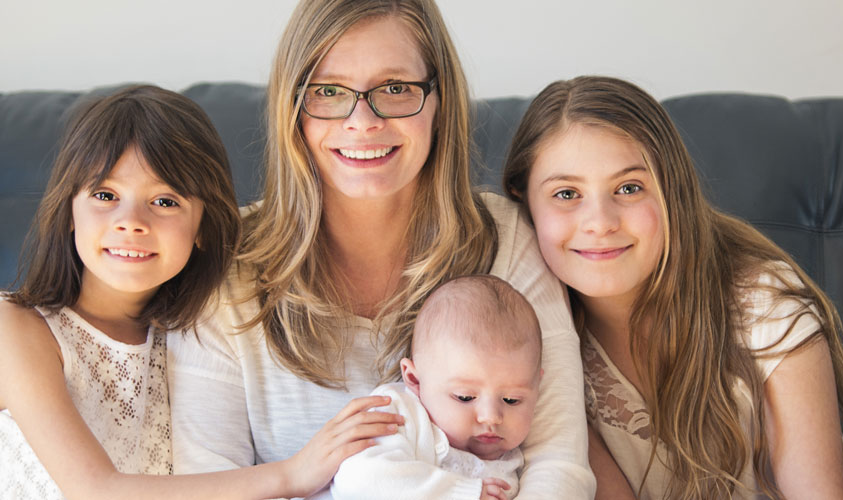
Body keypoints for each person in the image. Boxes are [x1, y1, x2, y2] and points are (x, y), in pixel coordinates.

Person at [167, 1, 595, 498]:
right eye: (328, 91)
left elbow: (558, 467)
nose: (362, 121)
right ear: (293, 107)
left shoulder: (509, 240)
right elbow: (204, 482)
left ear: (440, 100)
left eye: (395, 88)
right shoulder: (225, 265)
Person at [0, 85, 397, 500]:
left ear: (203, 228)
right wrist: (292, 473)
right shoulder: (11, 327)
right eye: (105, 194)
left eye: (165, 201)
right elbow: (97, 491)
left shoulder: (187, 343)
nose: (131, 221)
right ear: (69, 210)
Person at [503, 75, 843, 499]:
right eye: (567, 193)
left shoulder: (763, 302)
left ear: (672, 191)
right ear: (523, 203)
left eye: (629, 188)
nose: (600, 221)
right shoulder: (534, 340)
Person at [319, 275, 544, 500]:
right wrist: (461, 493)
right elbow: (359, 479)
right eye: (465, 397)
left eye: (512, 400)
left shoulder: (516, 462)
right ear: (415, 381)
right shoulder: (399, 415)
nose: (491, 417)